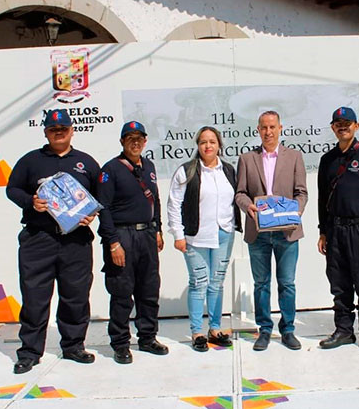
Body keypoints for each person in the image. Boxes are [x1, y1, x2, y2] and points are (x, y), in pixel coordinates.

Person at [6, 109, 100, 374]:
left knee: (76, 295)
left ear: (72, 130)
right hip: (39, 238)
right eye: (53, 129)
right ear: (45, 132)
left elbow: (100, 197)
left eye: (63, 128)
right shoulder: (30, 161)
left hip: (76, 240)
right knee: (35, 296)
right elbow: (12, 189)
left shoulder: (86, 162)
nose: (59, 132)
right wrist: (30, 202)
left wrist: (91, 214)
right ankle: (29, 352)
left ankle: (73, 346)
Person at [235, 110, 308, 351]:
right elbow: (240, 193)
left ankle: (287, 330)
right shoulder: (247, 159)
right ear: (258, 130)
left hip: (287, 232)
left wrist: (295, 211)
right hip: (259, 232)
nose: (268, 132)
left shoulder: (294, 156)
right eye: (264, 127)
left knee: (287, 283)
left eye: (272, 127)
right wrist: (249, 207)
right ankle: (264, 330)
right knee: (261, 284)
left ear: (280, 128)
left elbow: (301, 192)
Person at [96, 121, 168, 365]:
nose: (135, 142)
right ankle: (120, 343)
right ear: (122, 142)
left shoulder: (149, 166)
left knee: (149, 290)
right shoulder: (110, 170)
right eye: (130, 138)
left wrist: (157, 228)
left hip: (147, 235)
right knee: (122, 292)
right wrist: (113, 243)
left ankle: (148, 337)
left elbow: (155, 200)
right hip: (122, 236)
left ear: (145, 141)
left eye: (139, 138)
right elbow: (103, 208)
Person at [317, 106, 359, 352]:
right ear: (333, 127)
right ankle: (344, 330)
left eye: (347, 122)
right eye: (338, 123)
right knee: (339, 283)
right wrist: (323, 231)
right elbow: (322, 198)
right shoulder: (327, 160)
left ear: (356, 125)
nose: (342, 126)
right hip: (335, 230)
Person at [167, 126, 241, 352]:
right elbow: (174, 204)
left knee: (217, 283)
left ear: (219, 145)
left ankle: (216, 329)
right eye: (203, 142)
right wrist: (178, 235)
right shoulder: (186, 171)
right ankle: (197, 331)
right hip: (195, 236)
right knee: (199, 283)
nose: (208, 146)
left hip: (224, 233)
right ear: (198, 146)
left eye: (212, 141)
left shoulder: (228, 170)